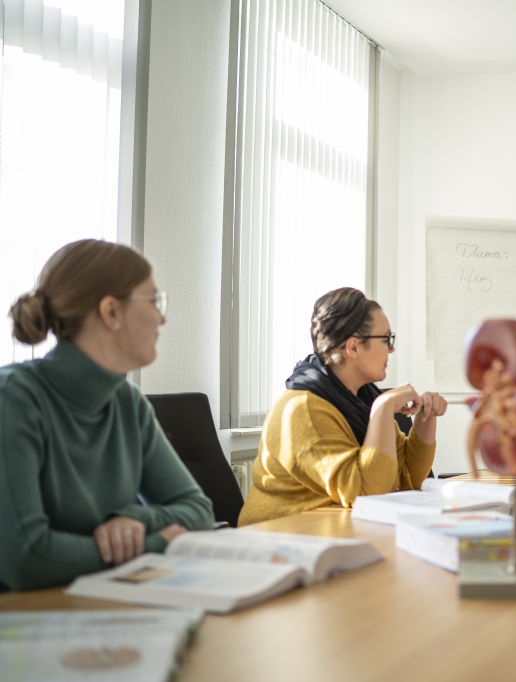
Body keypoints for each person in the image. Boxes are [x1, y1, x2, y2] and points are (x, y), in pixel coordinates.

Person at [0, 240, 215, 592]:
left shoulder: (128, 402)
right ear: (111, 312)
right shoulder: (13, 399)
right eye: (153, 301)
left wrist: (133, 517)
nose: (163, 318)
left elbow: (198, 509)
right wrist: (157, 543)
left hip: (100, 602)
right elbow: (25, 559)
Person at [238, 288, 446, 525]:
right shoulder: (303, 410)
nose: (391, 349)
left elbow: (410, 476)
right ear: (354, 347)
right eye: (386, 339)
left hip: (333, 531)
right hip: (277, 539)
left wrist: (426, 415)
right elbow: (368, 493)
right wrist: (383, 407)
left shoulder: (359, 397)